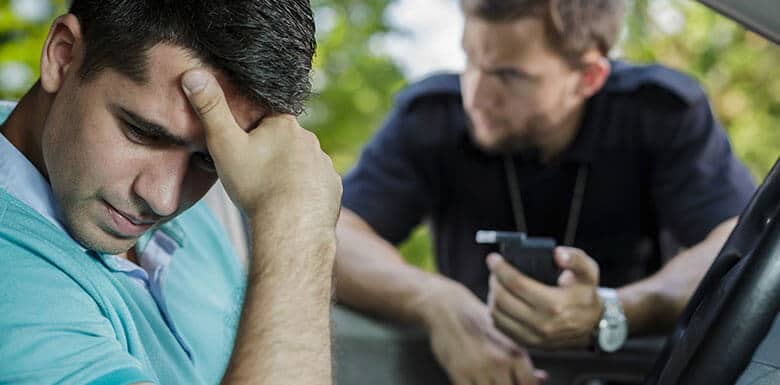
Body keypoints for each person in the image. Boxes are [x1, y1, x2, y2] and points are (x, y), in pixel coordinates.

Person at [335, 0, 756, 383]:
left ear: (588, 77)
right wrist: (433, 301)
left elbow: (737, 244)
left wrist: (617, 308)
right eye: (470, 60)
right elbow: (335, 231)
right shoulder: (429, 117)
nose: (475, 95)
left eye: (509, 74)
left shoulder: (659, 112)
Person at [0, 1, 342, 384]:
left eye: (208, 159)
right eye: (142, 132)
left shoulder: (164, 197)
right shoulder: (11, 289)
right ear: (62, 56)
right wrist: (296, 227)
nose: (163, 200)